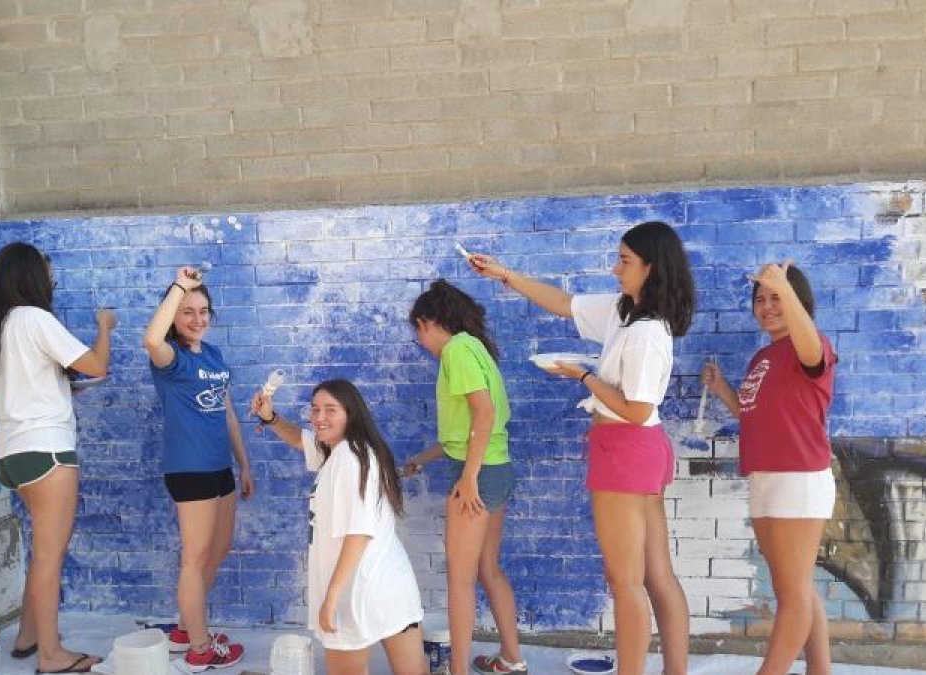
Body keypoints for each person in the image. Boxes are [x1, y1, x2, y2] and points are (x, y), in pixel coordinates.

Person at [468, 221, 693, 675]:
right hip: (636, 447)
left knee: (625, 581)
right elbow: (565, 305)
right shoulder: (625, 312)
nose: (616, 269)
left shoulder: (647, 333)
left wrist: (583, 376)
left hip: (626, 448)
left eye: (625, 261)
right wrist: (505, 275)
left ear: (653, 268)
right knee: (654, 575)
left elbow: (636, 407)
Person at [0, 242, 113, 674]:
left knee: (42, 550)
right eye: (47, 273)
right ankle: (52, 656)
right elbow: (97, 366)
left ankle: (29, 636)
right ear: (30, 276)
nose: (51, 281)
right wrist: (104, 327)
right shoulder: (34, 319)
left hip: (11, 454)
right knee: (51, 555)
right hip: (46, 450)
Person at [701, 262, 835, 675]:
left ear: (798, 301)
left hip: (798, 480)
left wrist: (782, 286)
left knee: (791, 595)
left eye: (777, 297)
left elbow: (811, 348)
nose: (767, 306)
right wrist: (722, 389)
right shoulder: (764, 355)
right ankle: (821, 669)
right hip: (766, 478)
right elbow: (756, 415)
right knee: (794, 588)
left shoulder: (809, 345)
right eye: (761, 299)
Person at [251, 379, 427, 675]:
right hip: (392, 587)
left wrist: (330, 597)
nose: (319, 418)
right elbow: (302, 439)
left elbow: (358, 532)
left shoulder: (349, 460)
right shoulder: (347, 449)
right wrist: (271, 418)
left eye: (330, 410)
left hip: (355, 591)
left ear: (350, 413)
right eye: (315, 409)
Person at [404, 280, 526, 675]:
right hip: (496, 469)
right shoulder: (474, 348)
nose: (420, 342)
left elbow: (484, 414)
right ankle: (511, 658)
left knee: (459, 578)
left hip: (479, 475)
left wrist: (468, 477)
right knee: (487, 567)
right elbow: (468, 427)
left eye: (417, 332)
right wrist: (425, 457)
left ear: (426, 323)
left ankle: (457, 670)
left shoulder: (456, 350)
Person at [141, 266, 251, 672]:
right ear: (173, 315)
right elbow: (151, 337)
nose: (197, 319)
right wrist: (179, 287)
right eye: (187, 311)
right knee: (195, 558)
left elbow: (226, 411)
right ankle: (200, 647)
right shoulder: (169, 358)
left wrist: (245, 465)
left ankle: (189, 627)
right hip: (189, 470)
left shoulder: (213, 355)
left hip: (220, 467)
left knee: (217, 550)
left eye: (203, 310)